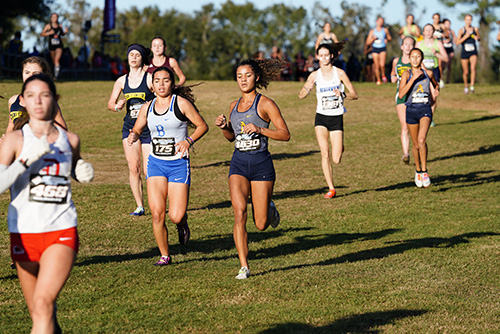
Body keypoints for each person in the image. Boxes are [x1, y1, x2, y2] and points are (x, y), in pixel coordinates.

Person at [0, 73, 94, 333]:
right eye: (31, 96)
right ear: (22, 101)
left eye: (45, 95)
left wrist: (80, 170)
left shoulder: (70, 139)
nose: (38, 101)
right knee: (42, 315)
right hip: (23, 234)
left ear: (56, 100)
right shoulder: (14, 140)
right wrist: (23, 161)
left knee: (42, 305)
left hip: (60, 230)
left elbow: (74, 166)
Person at [215, 59, 290, 279]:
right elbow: (232, 138)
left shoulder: (266, 104)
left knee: (260, 224)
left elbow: (285, 134)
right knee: (239, 213)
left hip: (261, 166)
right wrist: (224, 127)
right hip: (238, 164)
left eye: (247, 75)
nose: (243, 80)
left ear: (256, 77)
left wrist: (260, 129)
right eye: (239, 76)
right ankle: (244, 266)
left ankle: (270, 209)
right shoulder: (233, 105)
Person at [128, 67, 208, 266]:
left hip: (178, 164)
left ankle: (182, 223)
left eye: (165, 80)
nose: (161, 84)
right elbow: (138, 127)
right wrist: (134, 135)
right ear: (152, 85)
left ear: (172, 84)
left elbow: (202, 126)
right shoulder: (147, 107)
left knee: (175, 215)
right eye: (157, 81)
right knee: (157, 213)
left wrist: (188, 141)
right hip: (156, 163)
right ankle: (165, 255)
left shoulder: (181, 103)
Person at [298, 42, 358, 198]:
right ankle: (331, 188)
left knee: (336, 158)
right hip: (321, 118)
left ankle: (340, 147)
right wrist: (307, 88)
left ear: (331, 56)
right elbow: (301, 95)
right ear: (317, 57)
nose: (324, 58)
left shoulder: (340, 73)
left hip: (336, 118)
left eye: (326, 55)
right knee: (324, 153)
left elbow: (354, 94)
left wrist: (343, 94)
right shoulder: (314, 75)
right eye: (321, 55)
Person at [107, 44, 154, 216]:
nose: (133, 57)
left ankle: (155, 202)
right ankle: (140, 206)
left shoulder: (149, 79)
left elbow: (163, 97)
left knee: (149, 170)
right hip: (130, 128)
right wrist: (117, 106)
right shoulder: (121, 81)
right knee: (133, 168)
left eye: (137, 55)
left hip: (148, 129)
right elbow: (110, 103)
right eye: (131, 55)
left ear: (142, 58)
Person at [399, 48, 439, 188]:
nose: (415, 59)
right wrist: (414, 79)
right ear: (409, 59)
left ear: (421, 59)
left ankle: (425, 170)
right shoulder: (406, 74)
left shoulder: (428, 73)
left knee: (422, 140)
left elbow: (435, 84)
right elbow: (401, 94)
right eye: (413, 57)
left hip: (425, 110)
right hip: (411, 111)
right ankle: (418, 171)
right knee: (415, 144)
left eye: (418, 57)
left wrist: (436, 90)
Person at [4, 56, 67, 137]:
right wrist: (6, 140)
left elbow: (63, 131)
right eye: (27, 72)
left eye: (35, 73)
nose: (30, 76)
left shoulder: (47, 103)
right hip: (18, 147)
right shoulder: (13, 100)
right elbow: (11, 126)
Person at [390, 36, 415, 164]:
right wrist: (393, 77)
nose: (408, 47)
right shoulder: (396, 61)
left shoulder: (415, 62)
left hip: (414, 95)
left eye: (411, 45)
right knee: (404, 126)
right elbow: (392, 74)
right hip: (401, 95)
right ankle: (406, 153)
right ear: (401, 46)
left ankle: (417, 148)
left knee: (414, 126)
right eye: (406, 44)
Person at [416, 24, 447, 125]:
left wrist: (436, 54)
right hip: (422, 71)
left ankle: (430, 118)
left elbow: (446, 58)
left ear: (433, 32)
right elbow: (414, 58)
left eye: (430, 30)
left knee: (433, 96)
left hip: (434, 71)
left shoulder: (437, 43)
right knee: (422, 95)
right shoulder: (419, 44)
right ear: (423, 32)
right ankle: (421, 116)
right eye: (426, 30)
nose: (428, 32)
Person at [456, 14, 480, 94]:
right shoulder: (461, 30)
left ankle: (472, 86)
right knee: (466, 72)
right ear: (464, 20)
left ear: (471, 20)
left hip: (473, 51)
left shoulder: (475, 29)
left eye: (470, 19)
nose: (468, 21)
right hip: (464, 52)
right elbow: (457, 42)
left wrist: (476, 38)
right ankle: (466, 86)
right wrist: (465, 37)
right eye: (467, 20)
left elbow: (479, 38)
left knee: (473, 68)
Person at [40, 13, 68, 78]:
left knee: (56, 60)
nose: (54, 18)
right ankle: (56, 72)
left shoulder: (60, 26)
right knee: (53, 61)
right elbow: (42, 34)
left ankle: (56, 76)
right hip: (51, 45)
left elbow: (62, 34)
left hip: (59, 45)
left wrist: (65, 32)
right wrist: (49, 33)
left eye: (55, 17)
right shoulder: (48, 26)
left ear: (57, 18)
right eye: (53, 17)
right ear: (51, 18)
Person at [365, 17, 392, 85]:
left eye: (382, 21)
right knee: (376, 66)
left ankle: (383, 75)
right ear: (377, 22)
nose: (380, 23)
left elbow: (389, 38)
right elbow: (367, 42)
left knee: (382, 65)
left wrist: (387, 39)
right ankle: (378, 80)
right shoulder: (372, 31)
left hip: (382, 48)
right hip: (375, 48)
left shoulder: (385, 30)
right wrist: (373, 39)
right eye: (379, 21)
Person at [442, 19, 456, 84]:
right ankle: (441, 78)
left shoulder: (452, 31)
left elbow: (455, 38)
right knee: (443, 65)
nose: (448, 25)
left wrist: (454, 40)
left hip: (450, 49)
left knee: (449, 65)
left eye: (449, 24)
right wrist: (443, 41)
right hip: (443, 48)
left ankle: (448, 79)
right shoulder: (442, 31)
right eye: (447, 24)